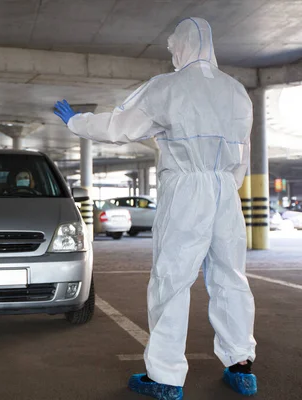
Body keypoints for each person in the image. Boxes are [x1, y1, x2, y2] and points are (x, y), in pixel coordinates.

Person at [54, 17, 257, 400]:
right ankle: (241, 366)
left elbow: (120, 126)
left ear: (181, 45)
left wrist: (77, 122)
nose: (171, 52)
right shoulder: (237, 91)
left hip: (186, 190)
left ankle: (164, 377)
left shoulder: (168, 87)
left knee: (171, 280)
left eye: (173, 46)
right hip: (225, 193)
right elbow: (243, 154)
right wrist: (226, 187)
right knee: (231, 277)